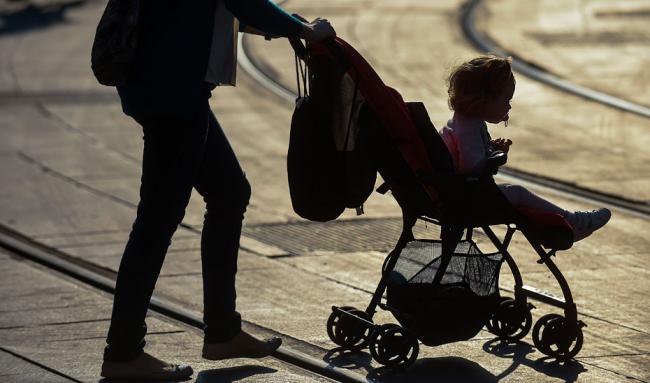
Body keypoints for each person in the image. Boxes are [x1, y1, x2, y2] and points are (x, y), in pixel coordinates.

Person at [100, 1, 335, 380]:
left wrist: (287, 24)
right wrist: (304, 32)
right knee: (157, 221)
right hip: (172, 92)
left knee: (229, 192)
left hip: (169, 87)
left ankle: (223, 331)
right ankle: (123, 352)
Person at [439, 55, 610, 242]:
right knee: (518, 193)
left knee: (513, 191)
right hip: (467, 200)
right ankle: (572, 222)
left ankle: (562, 227)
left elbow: (465, 156)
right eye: (506, 100)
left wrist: (489, 148)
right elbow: (472, 167)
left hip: (459, 195)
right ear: (484, 99)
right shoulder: (468, 128)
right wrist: (495, 156)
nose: (509, 106)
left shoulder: (464, 121)